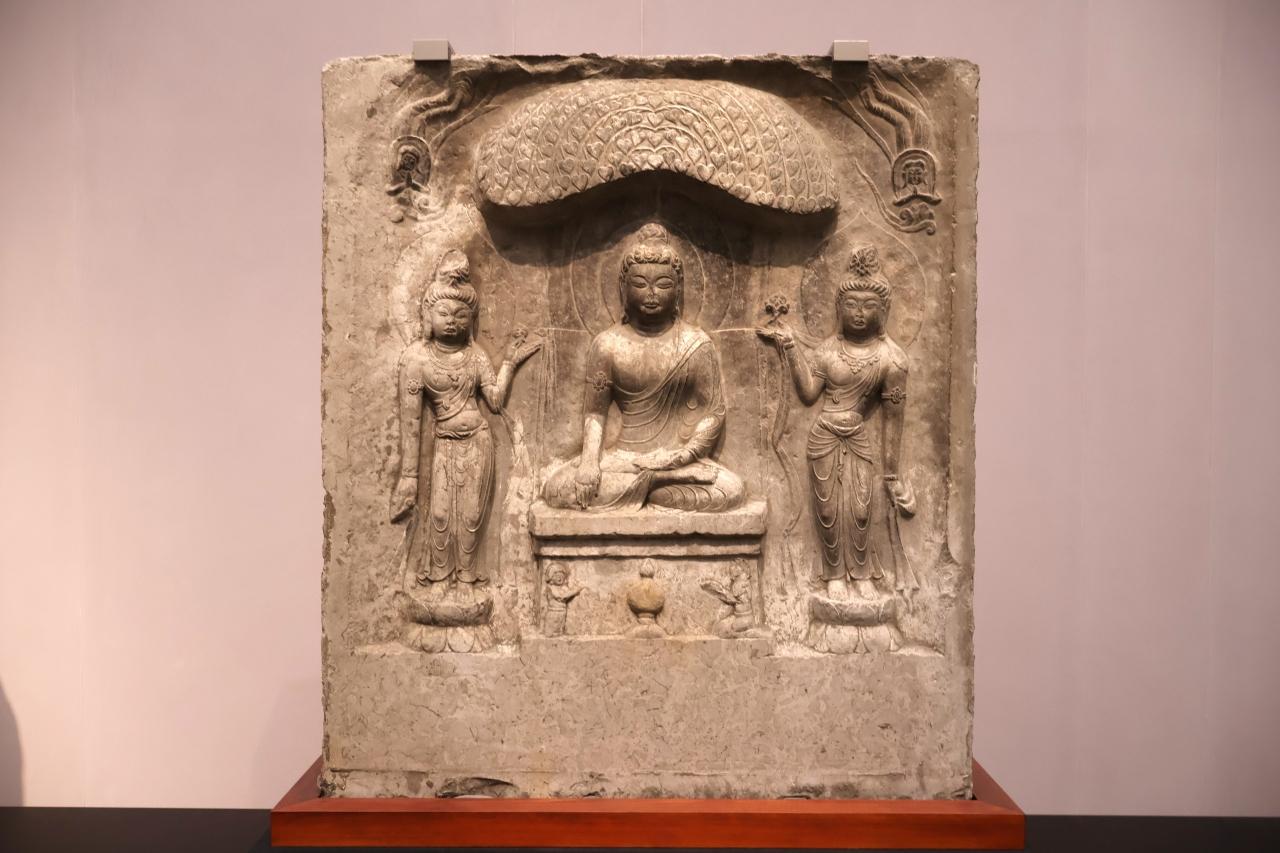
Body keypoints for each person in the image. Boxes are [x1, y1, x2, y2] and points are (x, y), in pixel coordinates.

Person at [542, 223, 744, 512]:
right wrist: (589, 462)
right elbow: (595, 412)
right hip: (623, 459)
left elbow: (713, 412)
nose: (651, 293)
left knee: (731, 489)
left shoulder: (696, 344)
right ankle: (656, 482)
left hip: (676, 459)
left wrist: (682, 456)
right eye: (639, 284)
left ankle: (656, 480)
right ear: (623, 288)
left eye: (663, 285)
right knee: (557, 489)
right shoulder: (607, 344)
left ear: (678, 289)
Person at [757, 244, 918, 600]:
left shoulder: (892, 360)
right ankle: (833, 575)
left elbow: (894, 422)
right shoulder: (828, 351)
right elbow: (808, 394)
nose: (859, 313)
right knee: (828, 509)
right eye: (851, 305)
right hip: (824, 437)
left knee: (860, 510)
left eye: (868, 306)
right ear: (838, 308)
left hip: (858, 438)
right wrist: (789, 347)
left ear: (883, 311)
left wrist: (893, 476)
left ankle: (861, 574)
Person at [391, 249, 540, 588]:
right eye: (443, 313)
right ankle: (439, 580)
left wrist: (510, 362)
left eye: (461, 315)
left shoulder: (476, 356)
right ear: (427, 316)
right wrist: (409, 477)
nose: (452, 321)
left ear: (472, 321)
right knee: (441, 515)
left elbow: (495, 401)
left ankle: (468, 581)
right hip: (445, 445)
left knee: (471, 517)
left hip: (478, 443)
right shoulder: (416, 360)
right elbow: (411, 423)